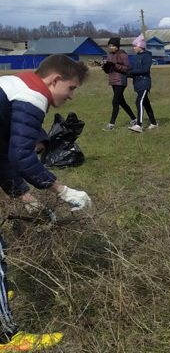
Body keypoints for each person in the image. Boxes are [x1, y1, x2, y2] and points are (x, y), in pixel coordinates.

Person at [0, 54, 94, 350]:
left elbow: (2, 156)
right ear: (55, 80)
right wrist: (63, 190)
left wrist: (24, 196)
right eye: (71, 88)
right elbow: (21, 157)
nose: (71, 96)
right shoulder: (32, 95)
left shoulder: (11, 85)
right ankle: (6, 339)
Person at [102, 37, 136, 131]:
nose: (111, 48)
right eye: (109, 46)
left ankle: (111, 124)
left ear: (117, 46)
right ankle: (134, 119)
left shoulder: (122, 54)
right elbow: (108, 70)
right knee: (122, 102)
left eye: (113, 46)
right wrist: (105, 66)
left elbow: (127, 67)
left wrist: (114, 65)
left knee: (115, 101)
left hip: (121, 80)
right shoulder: (109, 55)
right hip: (113, 80)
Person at [128, 34, 158, 133]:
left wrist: (132, 72)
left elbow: (145, 70)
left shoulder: (147, 56)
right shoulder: (135, 57)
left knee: (139, 102)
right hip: (137, 83)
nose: (134, 48)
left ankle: (139, 125)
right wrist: (127, 73)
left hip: (144, 82)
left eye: (135, 46)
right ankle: (153, 123)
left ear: (141, 46)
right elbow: (133, 69)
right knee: (146, 103)